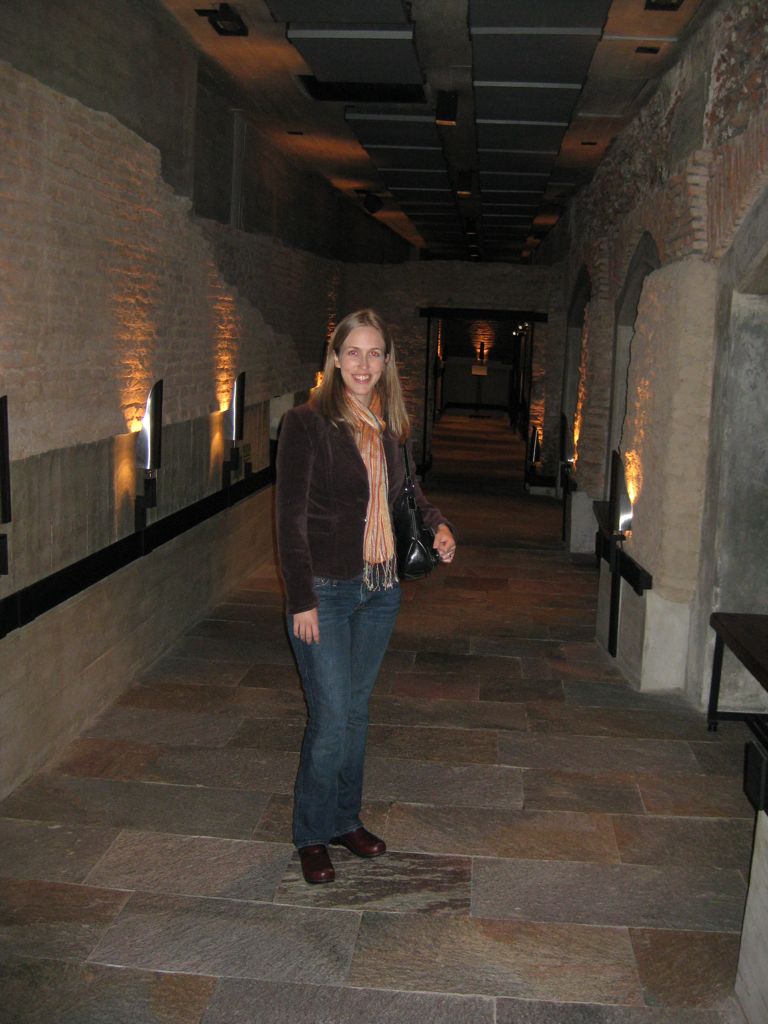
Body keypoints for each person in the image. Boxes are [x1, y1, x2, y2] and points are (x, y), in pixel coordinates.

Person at [276, 309, 456, 884]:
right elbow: (290, 520)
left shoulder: (390, 423)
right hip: (326, 591)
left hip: (380, 589)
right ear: (334, 358)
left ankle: (344, 820)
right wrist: (301, 599)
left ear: (386, 362)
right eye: (353, 352)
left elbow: (408, 494)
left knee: (355, 712)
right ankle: (311, 833)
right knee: (330, 719)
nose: (363, 364)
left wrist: (437, 523)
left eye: (374, 353)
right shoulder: (306, 423)